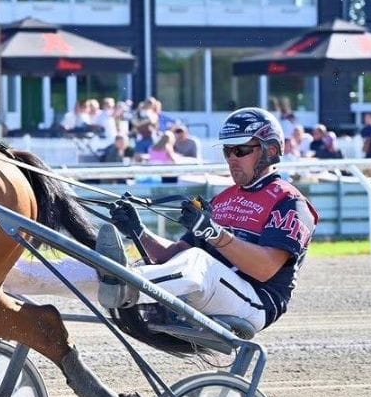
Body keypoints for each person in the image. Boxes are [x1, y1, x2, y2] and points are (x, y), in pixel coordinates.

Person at [97, 107, 319, 334]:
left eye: (241, 150)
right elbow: (173, 255)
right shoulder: (222, 199)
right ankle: (87, 277)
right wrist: (139, 232)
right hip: (210, 289)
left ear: (270, 151)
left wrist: (214, 233)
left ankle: (127, 284)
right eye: (227, 151)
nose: (232, 158)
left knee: (198, 260)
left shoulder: (290, 202)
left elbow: (265, 269)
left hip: (256, 303)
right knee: (108, 266)